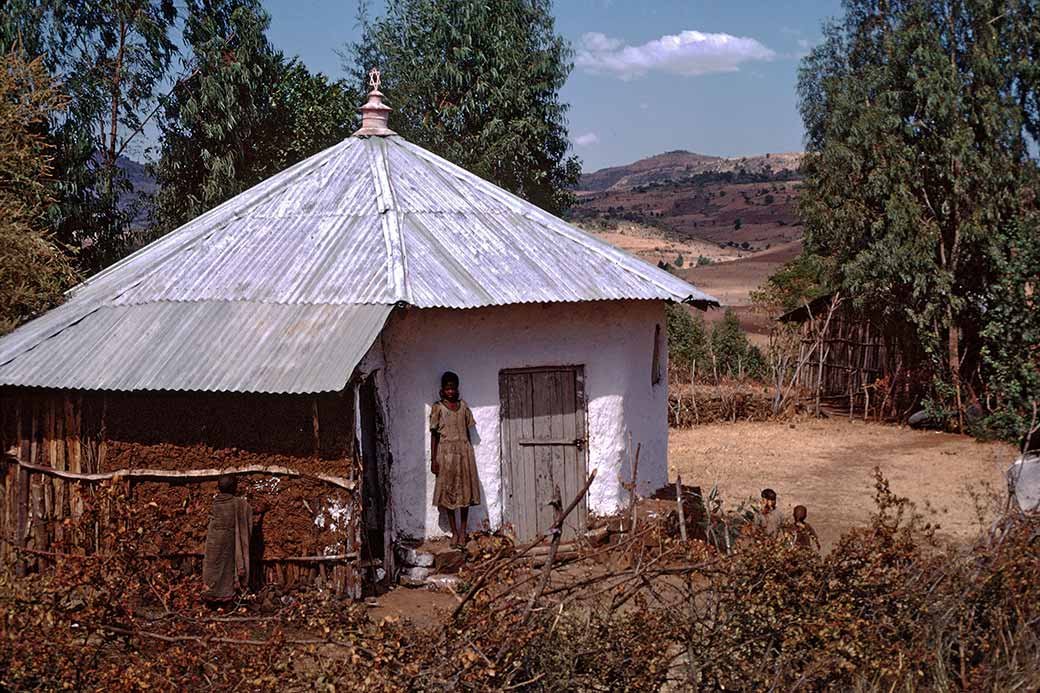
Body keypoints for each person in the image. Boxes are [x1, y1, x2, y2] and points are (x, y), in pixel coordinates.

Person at [430, 371, 481, 548]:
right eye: (447, 388)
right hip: (445, 454)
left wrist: (465, 450)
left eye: (453, 388)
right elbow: (434, 435)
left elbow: (467, 431)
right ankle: (455, 532)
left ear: (457, 389)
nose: (451, 391)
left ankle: (464, 531)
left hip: (463, 453)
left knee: (465, 493)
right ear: (442, 390)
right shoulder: (438, 408)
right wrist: (433, 460)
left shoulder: (463, 407)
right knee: (449, 494)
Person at [202, 474, 264, 604]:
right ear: (235, 487)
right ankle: (227, 597)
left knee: (214, 567)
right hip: (229, 543)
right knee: (228, 568)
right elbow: (247, 514)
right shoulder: (240, 504)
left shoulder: (215, 503)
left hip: (213, 542)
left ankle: (211, 595)